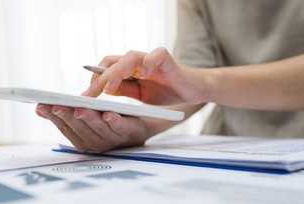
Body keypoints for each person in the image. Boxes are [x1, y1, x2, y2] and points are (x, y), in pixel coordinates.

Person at [35, 0, 304, 153]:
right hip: (228, 148)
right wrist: (140, 127)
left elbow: (200, 81)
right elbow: (191, 78)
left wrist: (203, 83)